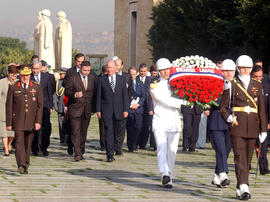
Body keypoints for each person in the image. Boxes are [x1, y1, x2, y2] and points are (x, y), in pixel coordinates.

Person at [219, 55, 267, 200]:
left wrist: (263, 129)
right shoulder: (231, 84)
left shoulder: (257, 84)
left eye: (247, 67)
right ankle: (245, 187)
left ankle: (240, 187)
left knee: (247, 159)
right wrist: (228, 117)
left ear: (251, 68)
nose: (244, 70)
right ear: (237, 68)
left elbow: (261, 110)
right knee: (239, 157)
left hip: (252, 126)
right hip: (237, 125)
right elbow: (223, 107)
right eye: (242, 67)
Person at [150, 58, 186, 188]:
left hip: (174, 122)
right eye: (163, 70)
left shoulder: (178, 85)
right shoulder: (154, 86)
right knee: (161, 148)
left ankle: (169, 175)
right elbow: (165, 100)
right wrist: (184, 102)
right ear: (159, 71)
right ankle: (164, 172)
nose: (166, 72)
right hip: (160, 121)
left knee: (172, 151)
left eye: (167, 69)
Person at [6, 65, 43, 174]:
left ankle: (26, 163)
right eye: (23, 75)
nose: (25, 77)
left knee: (28, 144)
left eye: (27, 75)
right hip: (17, 121)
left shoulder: (36, 86)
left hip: (31, 121)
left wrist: (38, 121)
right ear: (19, 75)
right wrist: (9, 123)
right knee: (18, 143)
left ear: (30, 75)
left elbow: (39, 106)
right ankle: (21, 165)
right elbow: (9, 106)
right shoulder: (13, 87)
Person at [209, 59, 235, 188]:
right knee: (220, 149)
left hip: (232, 121)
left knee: (226, 149)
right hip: (217, 119)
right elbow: (213, 101)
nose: (228, 73)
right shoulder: (215, 83)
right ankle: (224, 174)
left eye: (231, 71)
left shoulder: (237, 84)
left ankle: (216, 175)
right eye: (226, 70)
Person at [96, 60, 128, 162]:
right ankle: (109, 154)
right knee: (108, 131)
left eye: (110, 67)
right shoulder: (102, 80)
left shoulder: (121, 80)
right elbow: (98, 96)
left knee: (116, 132)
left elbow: (125, 96)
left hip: (119, 110)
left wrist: (126, 109)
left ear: (115, 68)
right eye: (107, 67)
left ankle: (115, 148)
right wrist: (98, 110)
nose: (109, 69)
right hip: (106, 111)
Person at [64, 61, 96, 161]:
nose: (86, 72)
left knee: (83, 132)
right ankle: (77, 153)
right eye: (85, 70)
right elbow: (67, 91)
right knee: (75, 131)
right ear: (80, 69)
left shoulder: (92, 78)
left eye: (88, 70)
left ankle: (81, 150)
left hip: (87, 109)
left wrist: (93, 109)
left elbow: (94, 94)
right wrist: (74, 94)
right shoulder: (72, 77)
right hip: (75, 108)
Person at [31, 60, 53, 156]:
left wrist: (51, 106)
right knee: (34, 128)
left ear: (40, 68)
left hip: (45, 106)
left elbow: (50, 92)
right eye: (33, 68)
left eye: (37, 68)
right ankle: (34, 148)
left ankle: (44, 147)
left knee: (46, 128)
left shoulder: (46, 77)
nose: (35, 71)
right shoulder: (29, 77)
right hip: (33, 107)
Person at [251, 65, 270, 175]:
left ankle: (264, 167)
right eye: (256, 77)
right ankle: (246, 165)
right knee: (250, 145)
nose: (259, 79)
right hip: (250, 120)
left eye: (260, 77)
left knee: (263, 145)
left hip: (264, 120)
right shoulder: (247, 86)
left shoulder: (266, 86)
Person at [126, 66, 145, 152]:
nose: (132, 76)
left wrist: (138, 104)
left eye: (134, 74)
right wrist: (130, 105)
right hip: (129, 109)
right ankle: (131, 146)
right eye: (131, 74)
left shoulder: (140, 83)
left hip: (138, 109)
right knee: (130, 128)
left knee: (138, 126)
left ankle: (135, 143)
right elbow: (124, 96)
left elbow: (143, 96)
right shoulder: (125, 83)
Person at [0, 65, 17, 156]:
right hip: (3, 110)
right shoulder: (2, 82)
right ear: (8, 74)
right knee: (4, 132)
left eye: (15, 75)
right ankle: (6, 150)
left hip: (14, 112)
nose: (13, 77)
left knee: (12, 134)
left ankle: (9, 144)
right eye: (12, 75)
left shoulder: (17, 83)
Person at [114, 58, 129, 155]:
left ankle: (118, 148)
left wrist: (126, 107)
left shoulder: (127, 77)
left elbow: (130, 91)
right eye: (115, 64)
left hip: (122, 106)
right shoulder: (109, 76)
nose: (116, 66)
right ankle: (111, 146)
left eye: (118, 65)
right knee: (112, 128)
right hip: (111, 107)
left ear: (122, 66)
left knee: (121, 128)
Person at [137, 63, 152, 149]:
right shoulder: (136, 79)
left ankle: (143, 143)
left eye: (144, 71)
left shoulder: (150, 80)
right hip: (138, 105)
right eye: (141, 71)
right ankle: (136, 142)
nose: (142, 73)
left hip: (147, 106)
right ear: (139, 71)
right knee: (138, 125)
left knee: (146, 126)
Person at [53, 67, 68, 143]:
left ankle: (68, 138)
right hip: (60, 107)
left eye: (61, 74)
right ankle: (62, 138)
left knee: (68, 123)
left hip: (68, 107)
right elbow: (55, 95)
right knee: (61, 123)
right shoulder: (58, 83)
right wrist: (55, 105)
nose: (60, 75)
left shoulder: (69, 82)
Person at [147, 65, 159, 151]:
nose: (154, 74)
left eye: (156, 73)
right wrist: (150, 108)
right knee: (152, 126)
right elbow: (149, 96)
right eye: (153, 73)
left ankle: (157, 144)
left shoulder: (160, 80)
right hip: (151, 105)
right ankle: (153, 143)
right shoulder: (149, 80)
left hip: (159, 106)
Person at [97, 65, 108, 151]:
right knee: (103, 127)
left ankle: (106, 144)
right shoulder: (99, 80)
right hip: (102, 107)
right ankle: (103, 144)